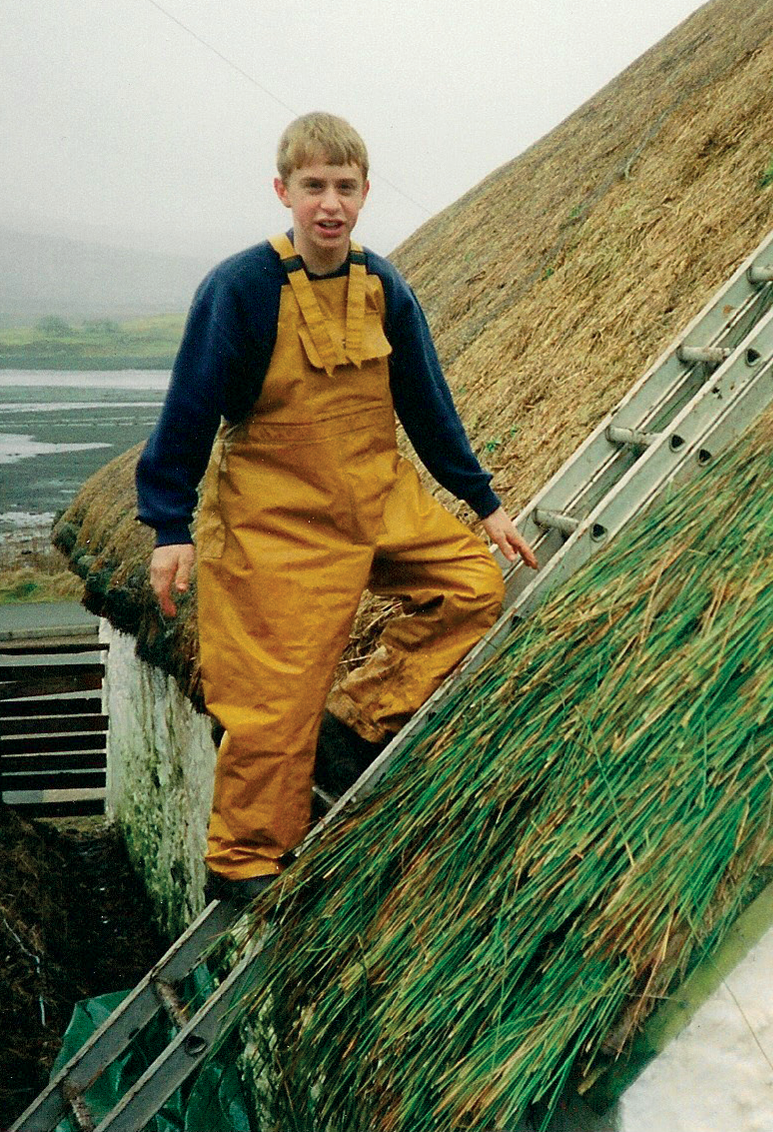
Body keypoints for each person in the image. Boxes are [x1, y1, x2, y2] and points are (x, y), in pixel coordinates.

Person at [135, 111, 537, 904]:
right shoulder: (240, 288)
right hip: (273, 519)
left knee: (470, 586)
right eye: (313, 186)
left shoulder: (384, 286)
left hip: (376, 497)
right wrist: (169, 528)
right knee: (271, 699)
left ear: (363, 194)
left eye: (344, 187)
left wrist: (483, 503)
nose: (329, 202)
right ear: (282, 191)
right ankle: (245, 855)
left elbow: (427, 403)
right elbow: (186, 411)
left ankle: (354, 720)